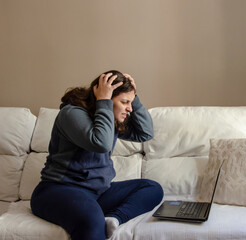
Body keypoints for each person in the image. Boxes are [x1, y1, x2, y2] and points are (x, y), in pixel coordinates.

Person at [30, 70, 164, 240]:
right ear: (104, 97)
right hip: (58, 191)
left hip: (97, 192)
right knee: (92, 220)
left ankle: (114, 218)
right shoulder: (72, 114)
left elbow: (144, 133)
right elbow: (101, 143)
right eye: (124, 102)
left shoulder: (110, 119)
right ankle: (99, 218)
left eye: (130, 102)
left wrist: (134, 98)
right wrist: (104, 101)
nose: (129, 109)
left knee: (152, 188)